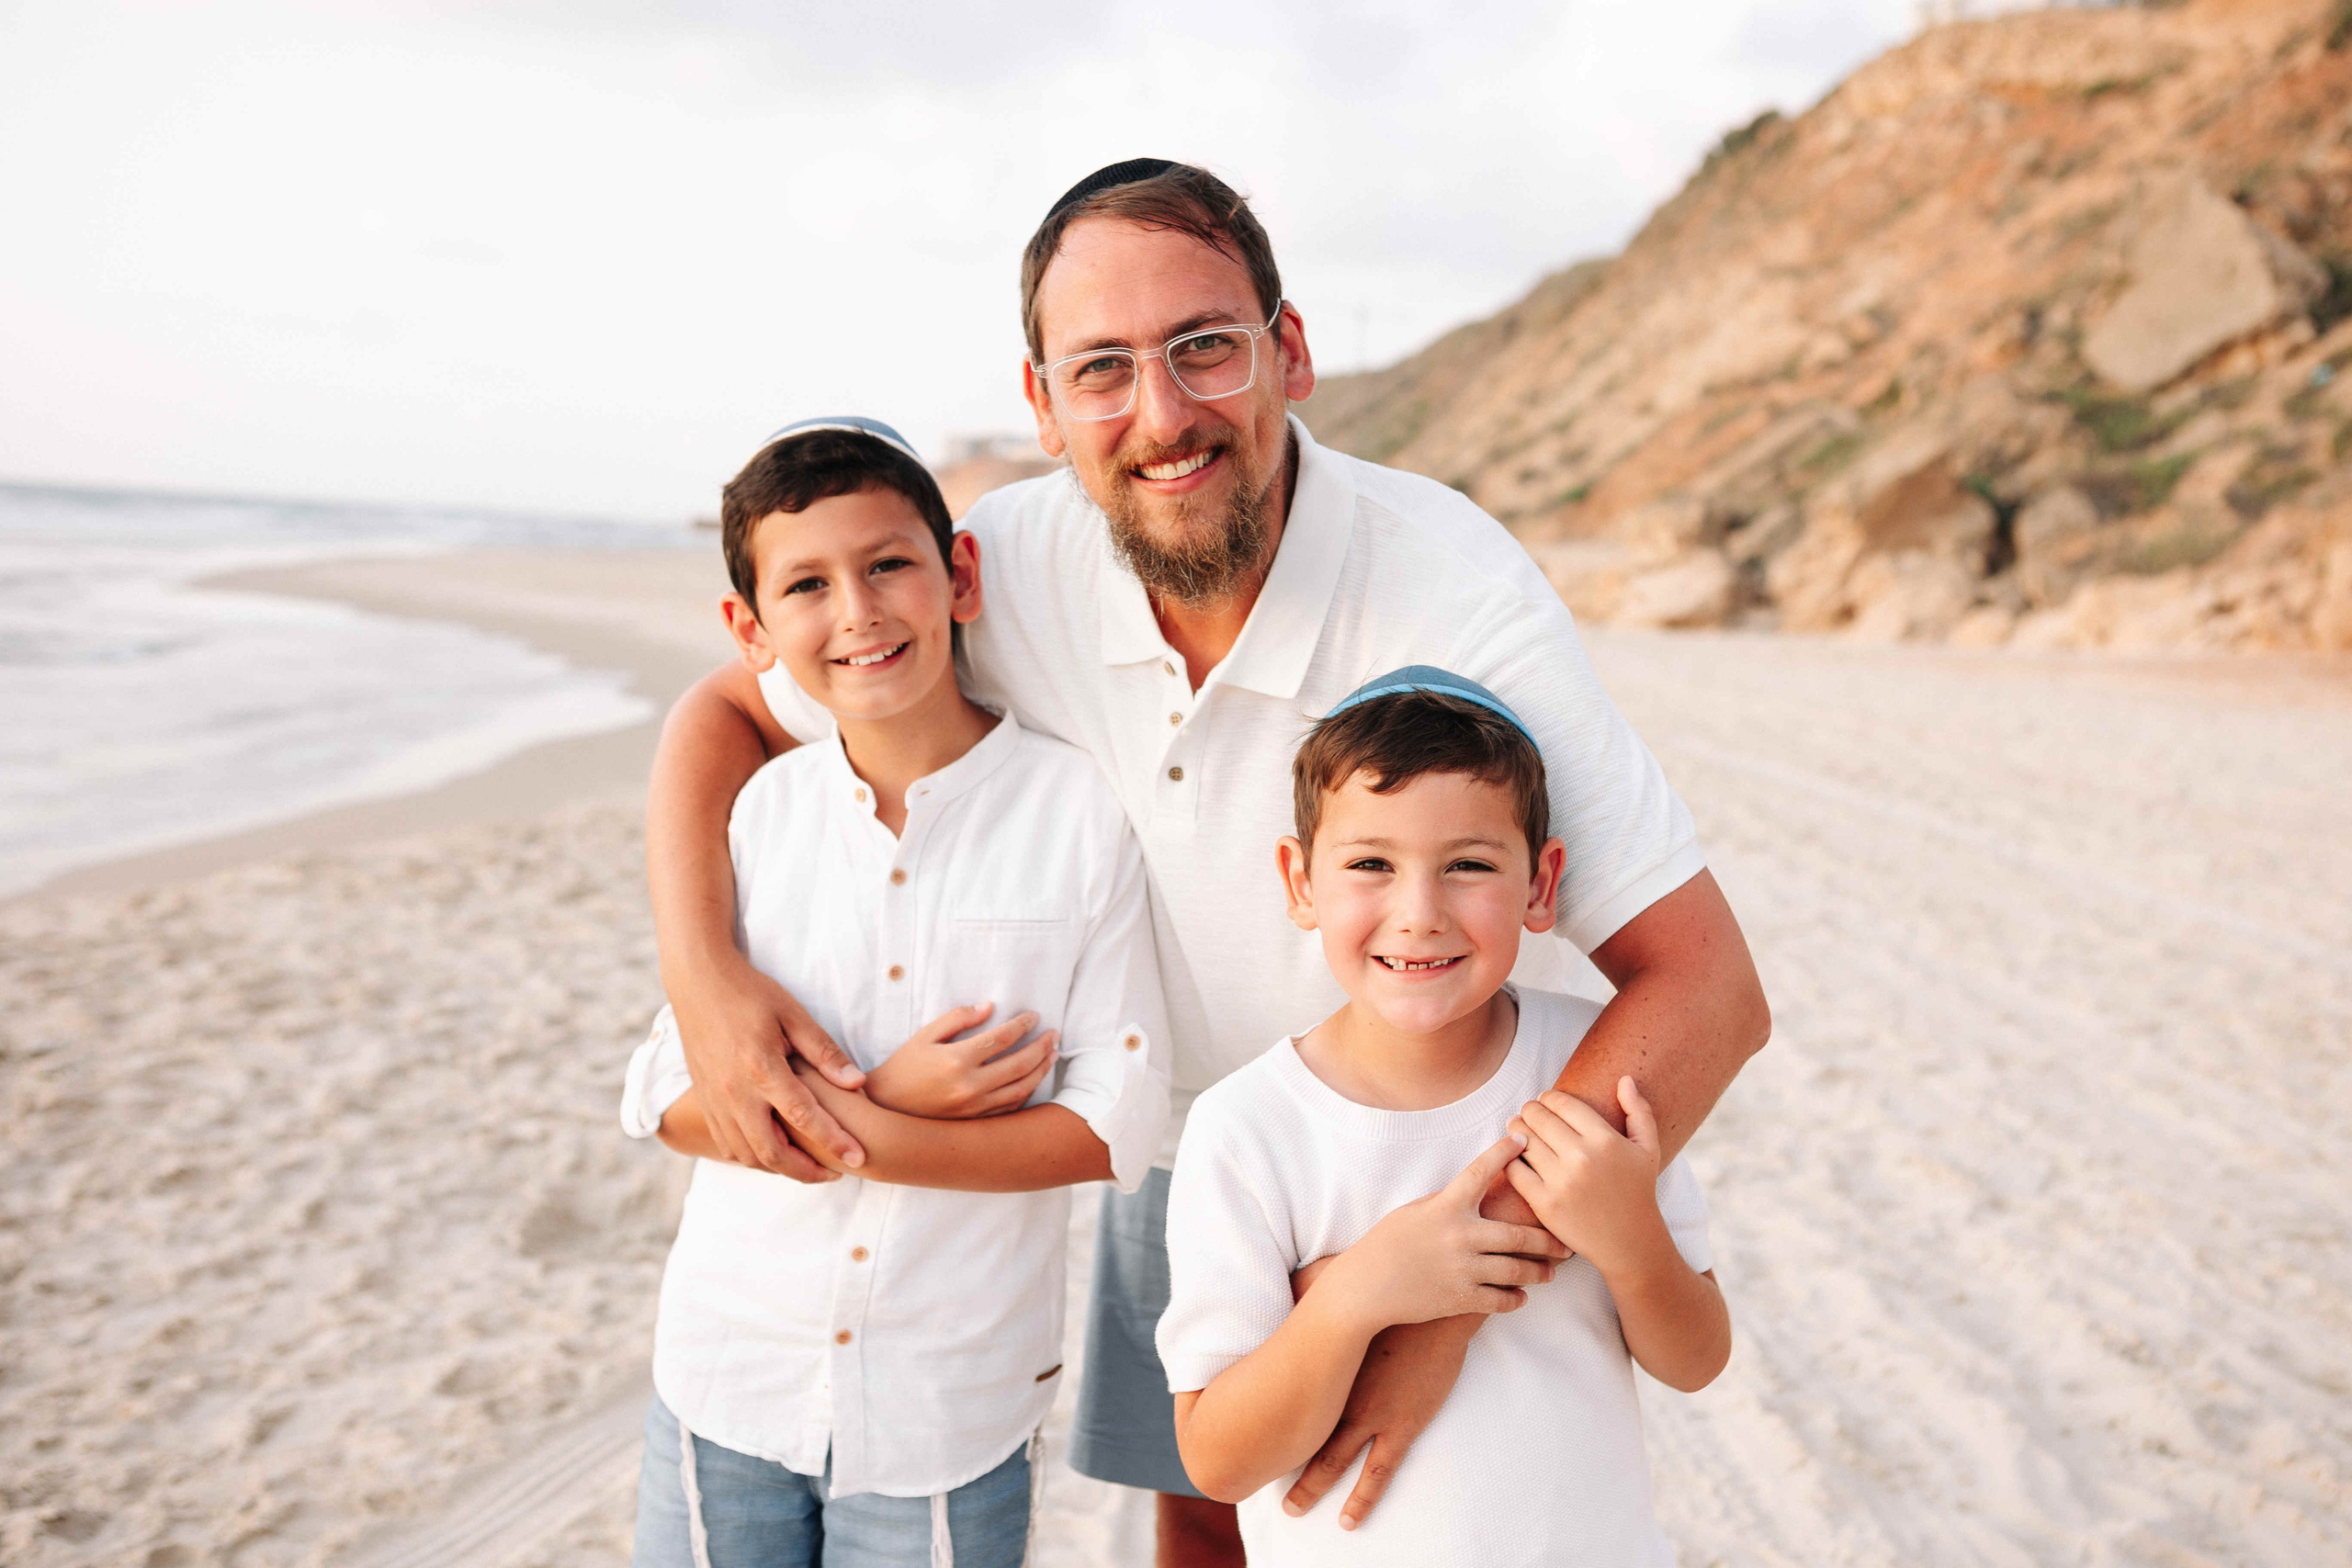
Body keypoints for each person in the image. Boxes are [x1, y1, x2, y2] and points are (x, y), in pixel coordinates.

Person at [646, 161, 1770, 1566]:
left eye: (1204, 347)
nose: (1163, 414)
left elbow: (1709, 986)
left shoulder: (1453, 586)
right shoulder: (1004, 564)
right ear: (1044, 403)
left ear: (1288, 352)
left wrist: (1436, 1295)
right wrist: (704, 979)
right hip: (1188, 1133)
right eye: (1103, 369)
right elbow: (728, 711)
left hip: (1438, 1136)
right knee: (1205, 1495)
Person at [619, 417, 1170, 1568]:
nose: (858, 613)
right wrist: (898, 1103)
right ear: (750, 630)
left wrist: (853, 1124)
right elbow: (666, 1098)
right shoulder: (762, 817)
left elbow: (1104, 1130)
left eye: (887, 565)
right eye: (806, 586)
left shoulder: (1077, 815)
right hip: (731, 1371)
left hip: (948, 1402)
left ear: (957, 576)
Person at [1159, 671, 1730, 1565]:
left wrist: (1628, 1238)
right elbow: (1219, 1459)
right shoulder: (1248, 1130)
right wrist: (1356, 1295)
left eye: (1467, 864)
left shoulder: (1594, 1072)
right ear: (1298, 880)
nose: (1418, 915)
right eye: (1370, 865)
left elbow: (1696, 1359)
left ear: (1541, 885)